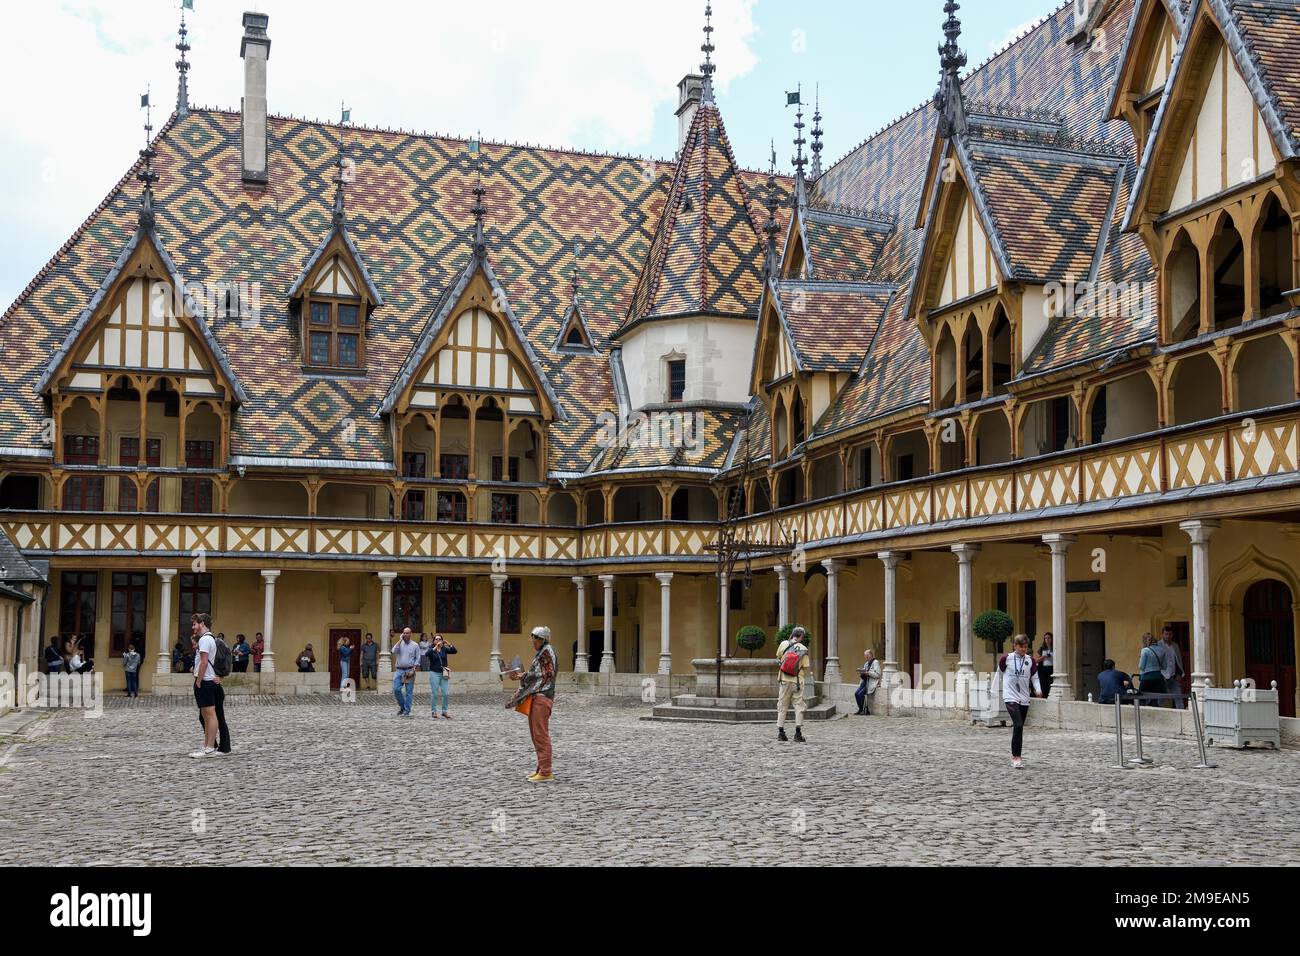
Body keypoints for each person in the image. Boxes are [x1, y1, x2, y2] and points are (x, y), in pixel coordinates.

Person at [505, 625, 558, 782]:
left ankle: (546, 772)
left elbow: (545, 674)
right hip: (537, 697)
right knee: (536, 735)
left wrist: (524, 676)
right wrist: (523, 675)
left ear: (542, 639)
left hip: (542, 697)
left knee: (541, 735)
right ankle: (541, 768)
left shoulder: (547, 652)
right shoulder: (542, 652)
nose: (532, 642)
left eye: (534, 639)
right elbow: (538, 673)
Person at [997, 634, 1042, 769]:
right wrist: (994, 692)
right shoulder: (1007, 658)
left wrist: (1038, 689)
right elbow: (998, 674)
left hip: (1024, 697)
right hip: (1010, 696)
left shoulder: (1030, 661)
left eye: (1026, 647)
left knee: (1020, 727)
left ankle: (1017, 755)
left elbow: (1035, 677)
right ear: (1015, 646)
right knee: (1018, 724)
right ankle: (1016, 757)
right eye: (1021, 647)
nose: (1023, 649)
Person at [190, 612, 231, 758]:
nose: (193, 627)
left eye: (195, 624)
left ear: (202, 623)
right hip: (209, 680)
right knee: (207, 716)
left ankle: (209, 747)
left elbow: (204, 662)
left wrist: (199, 680)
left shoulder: (205, 640)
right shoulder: (209, 639)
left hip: (206, 682)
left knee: (210, 715)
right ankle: (207, 745)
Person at [775, 626, 811, 742]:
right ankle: (798, 733)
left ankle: (781, 732)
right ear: (801, 637)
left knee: (782, 705)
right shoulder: (803, 649)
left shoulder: (784, 644)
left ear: (792, 634)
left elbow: (779, 657)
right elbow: (805, 667)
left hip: (784, 680)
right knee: (799, 706)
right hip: (797, 681)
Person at [426, 633, 458, 718]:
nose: (438, 641)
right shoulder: (431, 649)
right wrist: (436, 647)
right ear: (434, 641)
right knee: (435, 693)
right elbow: (427, 654)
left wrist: (448, 643)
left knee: (446, 693)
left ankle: (444, 711)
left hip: (444, 673)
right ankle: (434, 711)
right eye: (436, 639)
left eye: (439, 639)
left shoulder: (444, 649)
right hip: (434, 673)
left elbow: (454, 651)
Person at [391, 628, 421, 716]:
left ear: (411, 634)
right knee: (396, 689)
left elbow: (418, 658)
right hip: (399, 670)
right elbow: (393, 651)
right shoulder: (400, 644)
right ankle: (403, 707)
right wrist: (400, 640)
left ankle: (407, 710)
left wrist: (413, 669)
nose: (405, 635)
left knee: (409, 692)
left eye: (407, 633)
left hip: (409, 670)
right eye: (404, 633)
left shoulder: (415, 645)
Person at [1158, 626, 1185, 709]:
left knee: (1178, 697)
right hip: (1162, 676)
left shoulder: (1175, 645)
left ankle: (1182, 716)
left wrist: (1179, 673)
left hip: (1173, 676)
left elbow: (1178, 660)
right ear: (1162, 634)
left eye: (1170, 634)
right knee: (1160, 698)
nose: (1168, 636)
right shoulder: (1158, 645)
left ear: (1172, 635)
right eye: (1166, 634)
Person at [1137, 632, 1167, 706]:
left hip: (1146, 677)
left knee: (1142, 699)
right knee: (1154, 700)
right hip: (1158, 677)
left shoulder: (1145, 650)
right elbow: (1164, 666)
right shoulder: (1162, 650)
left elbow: (1141, 666)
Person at [854, 649, 881, 715]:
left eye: (866, 656)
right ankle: (860, 709)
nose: (865, 658)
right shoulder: (866, 663)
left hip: (870, 683)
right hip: (864, 682)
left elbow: (878, 675)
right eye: (865, 656)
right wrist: (862, 672)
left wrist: (868, 673)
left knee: (860, 694)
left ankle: (864, 710)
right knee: (856, 693)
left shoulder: (875, 662)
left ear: (870, 656)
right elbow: (865, 671)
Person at [1037, 632, 1055, 699]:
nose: (1047, 640)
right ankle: (1044, 698)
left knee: (1050, 685)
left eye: (1049, 638)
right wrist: (1043, 657)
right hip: (1043, 669)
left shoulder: (1054, 648)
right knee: (1043, 685)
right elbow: (1036, 660)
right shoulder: (1042, 648)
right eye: (1046, 638)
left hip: (1052, 669)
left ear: (1052, 639)